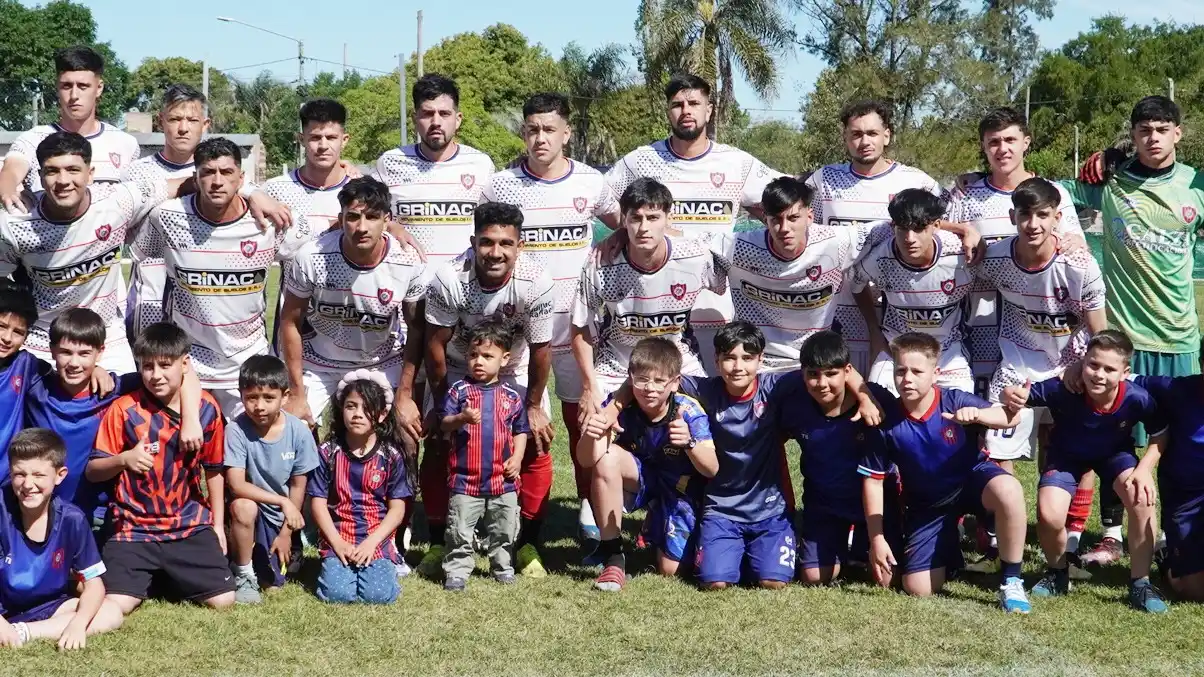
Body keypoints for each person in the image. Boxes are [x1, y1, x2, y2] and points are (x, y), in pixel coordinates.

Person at [1065, 96, 1204, 569]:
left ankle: (1166, 535)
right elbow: (1050, 198)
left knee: (1175, 442)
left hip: (1180, 338)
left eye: (1163, 129)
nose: (1154, 137)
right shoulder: (1110, 179)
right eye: (1144, 129)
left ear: (1178, 134)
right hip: (1123, 341)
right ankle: (1110, 535)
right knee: (1116, 437)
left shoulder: (1196, 185)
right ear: (1134, 134)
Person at [480, 91, 622, 548]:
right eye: (532, 129)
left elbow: (626, 223)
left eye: (549, 129)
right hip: (520, 333)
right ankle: (513, 523)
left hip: (578, 329)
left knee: (587, 424)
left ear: (567, 133)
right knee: (516, 426)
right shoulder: (500, 185)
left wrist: (611, 242)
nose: (540, 138)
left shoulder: (591, 182)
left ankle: (591, 516)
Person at [0, 131, 227, 373]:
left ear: (90, 174)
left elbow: (189, 184)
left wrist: (253, 194)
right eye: (52, 171)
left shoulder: (117, 201)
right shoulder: (16, 224)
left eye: (73, 170)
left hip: (107, 335)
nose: (63, 180)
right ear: (41, 177)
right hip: (45, 339)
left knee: (129, 407)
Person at [605, 73, 784, 369]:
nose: (685, 110)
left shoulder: (735, 162)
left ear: (709, 110)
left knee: (714, 400)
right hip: (660, 310)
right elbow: (604, 199)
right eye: (677, 104)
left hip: (717, 305)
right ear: (668, 111)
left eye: (693, 103)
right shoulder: (641, 160)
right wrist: (623, 232)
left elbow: (783, 202)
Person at [421, 201, 555, 579]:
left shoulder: (536, 281)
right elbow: (435, 345)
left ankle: (526, 542)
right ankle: (437, 539)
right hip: (461, 365)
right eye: (486, 242)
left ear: (520, 245)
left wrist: (532, 405)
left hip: (513, 367)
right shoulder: (450, 277)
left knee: (537, 443)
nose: (496, 252)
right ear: (473, 242)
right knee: (439, 441)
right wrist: (442, 401)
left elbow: (542, 349)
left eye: (505, 244)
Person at [132, 137, 308, 417]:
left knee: (253, 454)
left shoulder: (271, 222)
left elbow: (330, 238)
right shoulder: (167, 217)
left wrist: (392, 228)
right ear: (195, 178)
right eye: (207, 173)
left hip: (248, 362)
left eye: (226, 173)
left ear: (241, 179)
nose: (217, 181)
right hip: (189, 364)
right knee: (188, 452)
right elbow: (142, 255)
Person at [859, 332, 1030, 613]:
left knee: (1009, 490)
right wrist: (876, 539)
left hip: (972, 482)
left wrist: (978, 415)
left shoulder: (953, 401)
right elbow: (873, 482)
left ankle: (1012, 579)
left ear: (935, 373)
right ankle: (949, 551)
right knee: (917, 588)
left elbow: (1009, 417)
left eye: (917, 371)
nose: (907, 379)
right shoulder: (887, 421)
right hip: (929, 505)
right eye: (901, 371)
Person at [1001, 330, 1168, 612]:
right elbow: (1020, 394)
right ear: (1082, 362)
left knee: (1141, 500)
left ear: (1125, 372)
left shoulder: (1137, 398)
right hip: (1066, 456)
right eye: (1093, 364)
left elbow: (1160, 434)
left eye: (1109, 369)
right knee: (1049, 513)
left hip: (1114, 456)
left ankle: (1140, 583)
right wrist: (1012, 394)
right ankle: (1057, 572)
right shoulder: (1064, 388)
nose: (1098, 374)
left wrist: (1144, 469)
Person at [87, 322, 234, 614]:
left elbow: (214, 470)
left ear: (185, 364)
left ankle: (163, 573)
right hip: (134, 527)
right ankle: (152, 574)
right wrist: (123, 460)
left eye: (165, 365)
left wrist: (217, 525)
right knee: (117, 604)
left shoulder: (206, 410)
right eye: (147, 366)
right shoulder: (125, 409)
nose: (156, 375)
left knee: (223, 601)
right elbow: (93, 471)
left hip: (187, 524)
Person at [972, 177, 1107, 474]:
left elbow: (1100, 333)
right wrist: (963, 231)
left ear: (1057, 218)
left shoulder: (1080, 266)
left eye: (1043, 215)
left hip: (1069, 365)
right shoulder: (994, 258)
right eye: (1025, 214)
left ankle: (1067, 521)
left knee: (1067, 449)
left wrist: (1082, 365)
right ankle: (1001, 520)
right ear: (1013, 217)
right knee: (997, 448)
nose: (1033, 224)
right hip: (1016, 365)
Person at [25, 307, 201, 528]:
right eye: (66, 352)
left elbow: (184, 371)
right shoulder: (36, 386)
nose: (74, 363)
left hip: (99, 513)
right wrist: (94, 367)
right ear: (51, 351)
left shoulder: (114, 389)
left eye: (84, 354)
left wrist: (192, 419)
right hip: (43, 508)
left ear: (100, 352)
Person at [805, 99, 944, 374]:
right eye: (856, 134)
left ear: (887, 135)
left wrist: (965, 229)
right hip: (839, 309)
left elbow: (940, 227)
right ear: (845, 137)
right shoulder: (823, 181)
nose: (864, 141)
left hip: (901, 314)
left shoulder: (919, 182)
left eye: (872, 133)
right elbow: (803, 227)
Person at [278, 176, 427, 430]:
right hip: (319, 363)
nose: (362, 227)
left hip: (381, 362)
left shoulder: (408, 261)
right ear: (341, 218)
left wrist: (404, 394)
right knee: (291, 429)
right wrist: (296, 392)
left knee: (406, 434)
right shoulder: (311, 256)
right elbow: (290, 322)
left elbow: (417, 330)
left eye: (372, 217)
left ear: (387, 220)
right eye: (353, 217)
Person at [572, 178, 725, 418]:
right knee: (593, 426)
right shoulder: (600, 261)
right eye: (635, 218)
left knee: (707, 422)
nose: (644, 228)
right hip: (617, 362)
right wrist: (589, 386)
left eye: (653, 218)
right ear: (624, 221)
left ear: (668, 218)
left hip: (677, 358)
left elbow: (729, 275)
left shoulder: (696, 255)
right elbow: (580, 327)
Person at [706, 177, 891, 374]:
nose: (785, 228)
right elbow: (686, 245)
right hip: (759, 364)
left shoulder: (836, 243)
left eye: (793, 218)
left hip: (815, 362)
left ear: (809, 216)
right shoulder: (736, 247)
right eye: (776, 219)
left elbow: (891, 229)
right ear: (765, 219)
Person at [577, 337, 719, 592]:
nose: (649, 388)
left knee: (669, 570)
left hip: (682, 490)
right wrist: (590, 433)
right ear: (630, 378)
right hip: (644, 478)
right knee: (607, 459)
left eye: (659, 381)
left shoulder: (688, 410)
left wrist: (689, 443)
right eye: (642, 379)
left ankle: (655, 523)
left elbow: (711, 469)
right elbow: (588, 460)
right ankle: (613, 556)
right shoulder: (617, 407)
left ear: (675, 383)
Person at [780, 330, 898, 585]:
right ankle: (841, 546)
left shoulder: (877, 400)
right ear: (803, 373)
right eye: (813, 374)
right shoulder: (793, 402)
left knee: (884, 580)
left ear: (847, 371)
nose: (822, 383)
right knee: (813, 577)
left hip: (875, 507)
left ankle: (864, 544)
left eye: (831, 374)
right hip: (824, 504)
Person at [0, 429, 124, 650]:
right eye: (20, 474)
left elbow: (93, 583)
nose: (28, 485)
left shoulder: (72, 519)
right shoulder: (2, 510)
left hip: (45, 606)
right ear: (10, 472)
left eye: (39, 475)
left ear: (60, 475)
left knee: (111, 612)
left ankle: (24, 632)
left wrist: (78, 624)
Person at [439, 320, 532, 591]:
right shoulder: (459, 391)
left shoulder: (512, 397)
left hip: (503, 479)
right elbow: (444, 422)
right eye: (473, 355)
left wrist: (517, 458)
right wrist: (461, 417)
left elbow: (521, 430)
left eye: (487, 356)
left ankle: (502, 566)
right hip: (465, 480)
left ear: (504, 359)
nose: (478, 361)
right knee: (460, 530)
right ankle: (457, 570)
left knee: (503, 528)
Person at [855, 189, 974, 394]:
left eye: (918, 229)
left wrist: (970, 232)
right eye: (902, 229)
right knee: (878, 404)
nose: (909, 238)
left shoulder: (961, 253)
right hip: (896, 351)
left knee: (960, 414)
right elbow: (856, 286)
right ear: (893, 226)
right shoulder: (879, 259)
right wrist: (875, 332)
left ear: (936, 226)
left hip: (946, 353)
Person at [307, 373, 411, 605]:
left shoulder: (391, 456)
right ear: (340, 409)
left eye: (366, 408)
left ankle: (387, 564)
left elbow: (397, 510)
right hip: (339, 536)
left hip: (375, 537)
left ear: (382, 415)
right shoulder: (327, 452)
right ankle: (337, 566)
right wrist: (337, 542)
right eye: (350, 406)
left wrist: (372, 543)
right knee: (337, 595)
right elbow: (318, 502)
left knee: (378, 596)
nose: (357, 414)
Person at [372, 74, 496, 266]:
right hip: (406, 287)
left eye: (444, 114)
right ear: (415, 118)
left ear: (458, 119)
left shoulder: (481, 164)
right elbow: (367, 216)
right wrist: (390, 226)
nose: (436, 122)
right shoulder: (389, 163)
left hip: (462, 289)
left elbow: (497, 225)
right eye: (428, 113)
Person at [225, 355, 320, 604]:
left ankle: (278, 557)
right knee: (243, 506)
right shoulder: (235, 430)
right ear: (241, 395)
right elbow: (236, 484)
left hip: (282, 520)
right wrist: (282, 501)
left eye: (268, 398)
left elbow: (299, 486)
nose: (259, 406)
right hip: (249, 512)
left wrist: (286, 532)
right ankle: (242, 572)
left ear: (285, 396)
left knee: (273, 585)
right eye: (252, 398)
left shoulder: (298, 431)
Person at [0, 46, 139, 208]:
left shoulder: (125, 143)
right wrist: (7, 189)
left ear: (99, 88)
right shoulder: (33, 139)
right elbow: (11, 170)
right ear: (57, 88)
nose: (74, 96)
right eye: (66, 86)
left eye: (83, 86)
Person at [123, 84, 211, 335]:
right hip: (149, 294)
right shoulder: (136, 173)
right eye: (175, 119)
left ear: (205, 124)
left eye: (192, 120)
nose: (183, 128)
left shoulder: (217, 173)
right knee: (149, 370)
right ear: (161, 122)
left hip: (203, 295)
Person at [1126, 343, 1204, 602]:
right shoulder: (1177, 390)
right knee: (1192, 589)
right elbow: (1123, 376)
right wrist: (1076, 370)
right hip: (1188, 500)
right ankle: (1166, 556)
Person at [0, 281, 52, 475]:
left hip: (8, 480)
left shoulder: (26, 365)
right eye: (2, 326)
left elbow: (68, 373)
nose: (7, 337)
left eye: (18, 332)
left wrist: (97, 370)